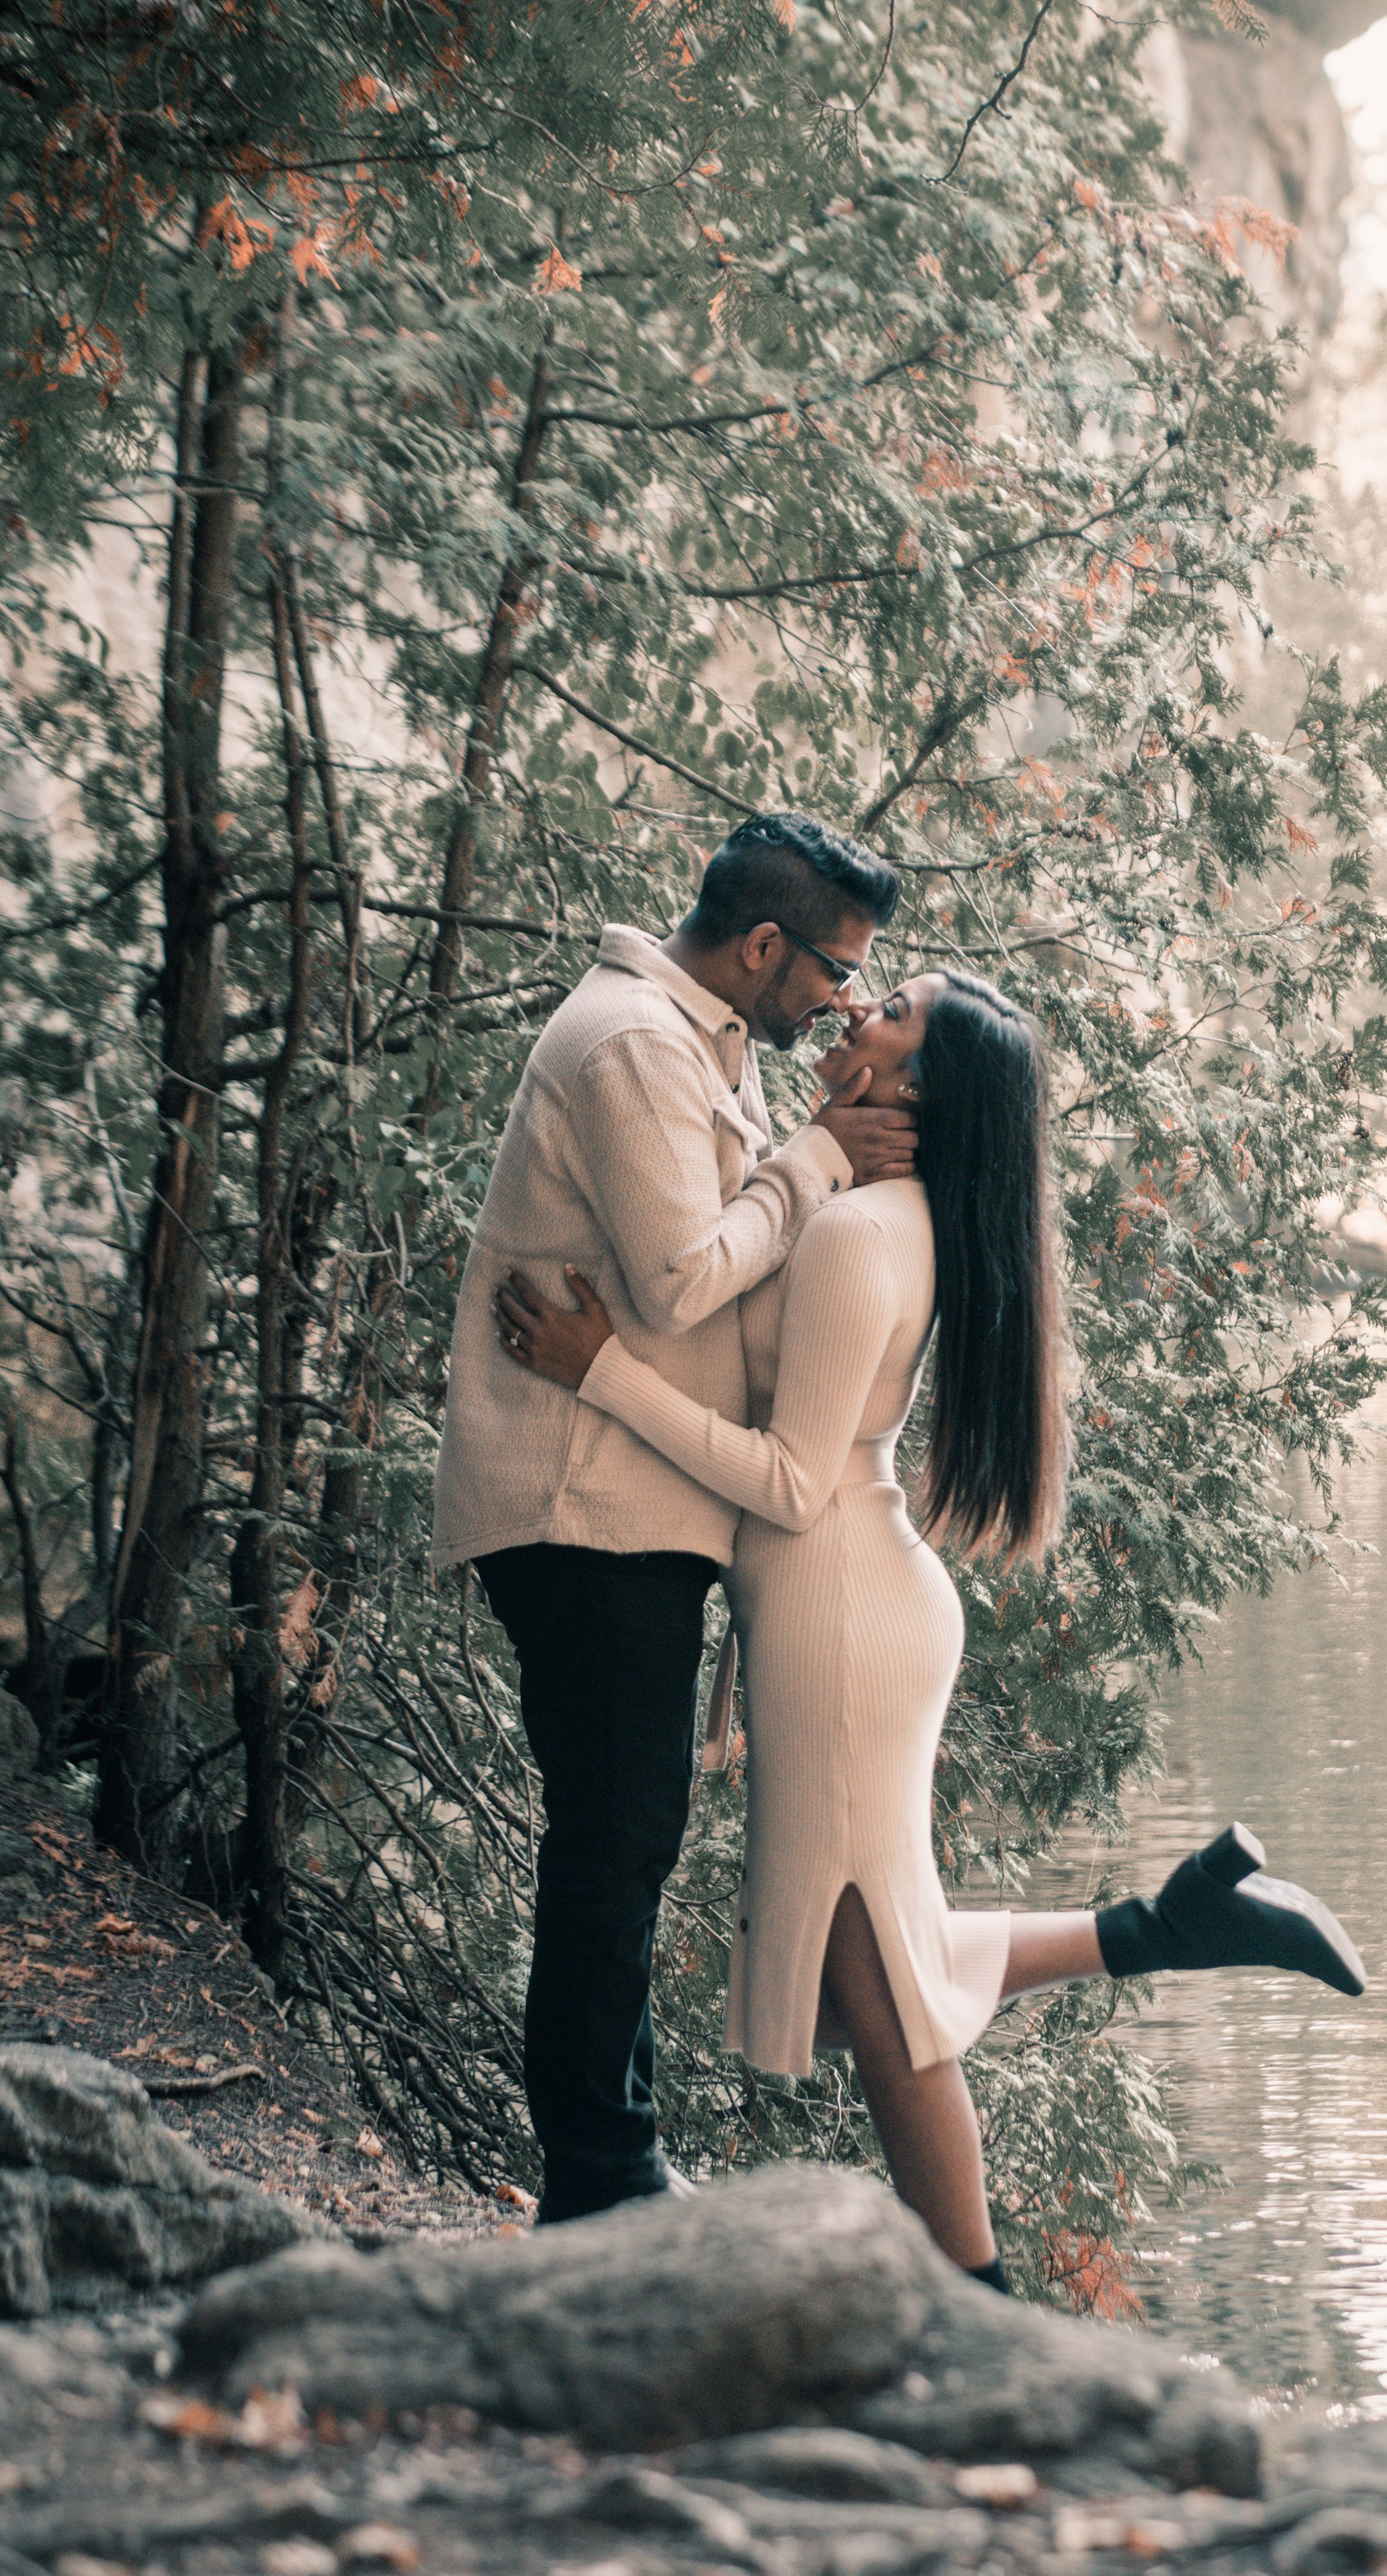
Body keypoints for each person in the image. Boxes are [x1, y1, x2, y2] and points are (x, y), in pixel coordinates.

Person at [491, 968, 1364, 2284]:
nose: (857, 1008)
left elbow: (793, 1480)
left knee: (888, 2007)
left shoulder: (863, 1233)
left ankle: (982, 2308)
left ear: (917, 1086)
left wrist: (599, 1370)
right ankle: (1167, 1927)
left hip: (842, 1614)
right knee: (842, 1990)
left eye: (890, 1009)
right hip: (836, 1606)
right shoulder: (867, 1209)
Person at [431, 810, 917, 2225]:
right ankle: (601, 2178)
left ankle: (618, 2157)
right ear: (764, 946)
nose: (843, 1001)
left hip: (630, 1499)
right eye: (837, 970)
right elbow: (681, 1281)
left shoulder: (706, 1041)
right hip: (580, 1500)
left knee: (626, 1833)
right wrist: (816, 1161)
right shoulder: (636, 1045)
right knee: (614, 1836)